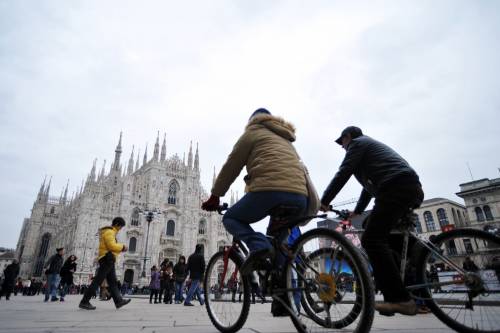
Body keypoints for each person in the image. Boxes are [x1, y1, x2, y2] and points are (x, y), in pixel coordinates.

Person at [320, 126, 424, 316]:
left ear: (348, 137)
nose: (342, 147)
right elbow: (367, 189)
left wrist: (324, 200)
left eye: (342, 142)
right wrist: (357, 211)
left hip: (395, 188)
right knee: (374, 229)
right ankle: (415, 250)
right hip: (409, 187)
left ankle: (400, 299)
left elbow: (344, 172)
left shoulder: (357, 144)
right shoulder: (371, 151)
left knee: (371, 240)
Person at [201, 108, 308, 274]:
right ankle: (281, 294)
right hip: (301, 198)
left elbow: (231, 166)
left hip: (270, 191)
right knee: (277, 243)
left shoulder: (253, 132)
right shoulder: (286, 139)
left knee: (230, 218)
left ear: (252, 121)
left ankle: (258, 246)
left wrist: (215, 195)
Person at [79, 217, 131, 310]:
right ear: (117, 224)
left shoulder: (110, 232)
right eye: (121, 227)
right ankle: (84, 301)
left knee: (113, 282)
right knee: (98, 281)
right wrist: (122, 247)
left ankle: (118, 301)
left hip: (108, 258)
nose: (121, 229)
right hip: (107, 258)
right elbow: (111, 246)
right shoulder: (109, 232)